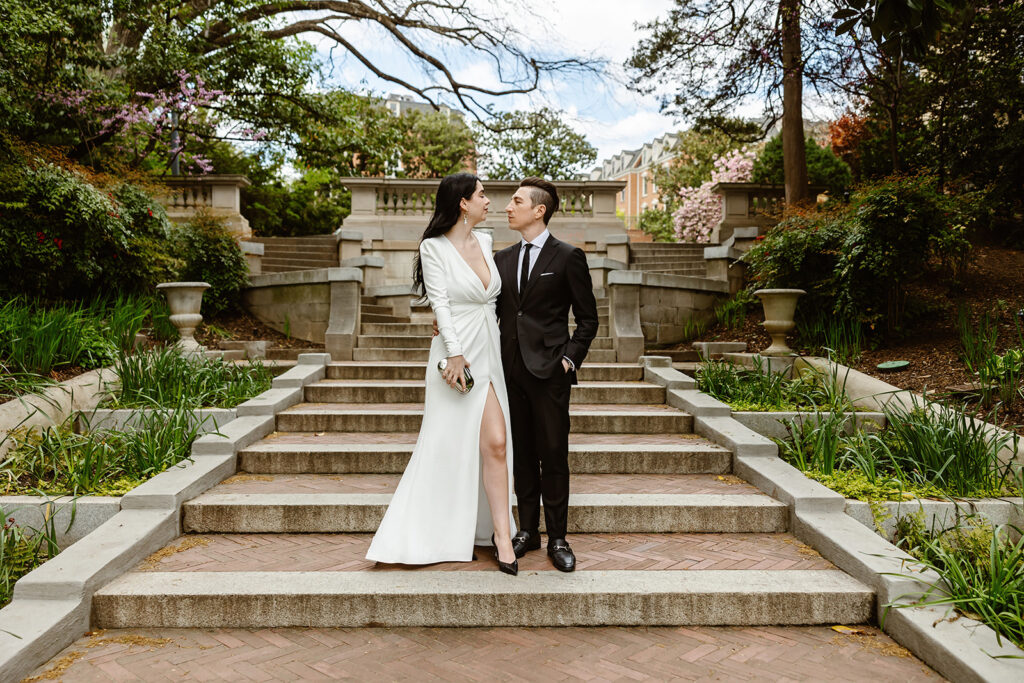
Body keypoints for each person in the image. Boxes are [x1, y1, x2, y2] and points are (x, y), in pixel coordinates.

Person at [365, 172, 519, 575]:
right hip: (458, 356)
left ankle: (501, 535)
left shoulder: (485, 242)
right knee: (446, 444)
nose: (490, 201)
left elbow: (496, 300)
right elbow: (441, 305)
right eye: (483, 195)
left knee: (497, 444)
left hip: (491, 349)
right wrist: (454, 353)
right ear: (463, 203)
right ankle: (431, 531)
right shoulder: (433, 247)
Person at [494, 177, 599, 572]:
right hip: (510, 372)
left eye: (516, 201)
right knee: (520, 454)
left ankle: (558, 537)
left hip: (550, 373)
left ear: (539, 210)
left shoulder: (568, 256)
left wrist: (569, 359)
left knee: (553, 454)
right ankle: (527, 532)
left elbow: (588, 320)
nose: (508, 207)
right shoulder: (501, 260)